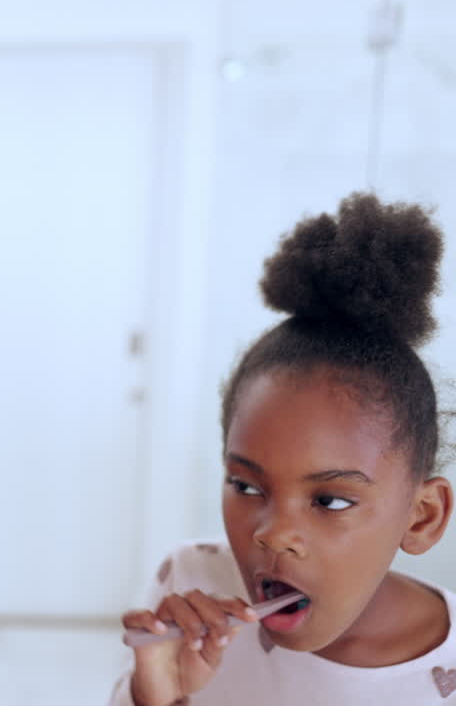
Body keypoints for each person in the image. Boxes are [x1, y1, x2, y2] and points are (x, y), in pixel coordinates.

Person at [111, 192, 456, 705]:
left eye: (330, 500)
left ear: (423, 516)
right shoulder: (189, 582)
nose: (273, 535)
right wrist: (158, 696)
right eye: (247, 485)